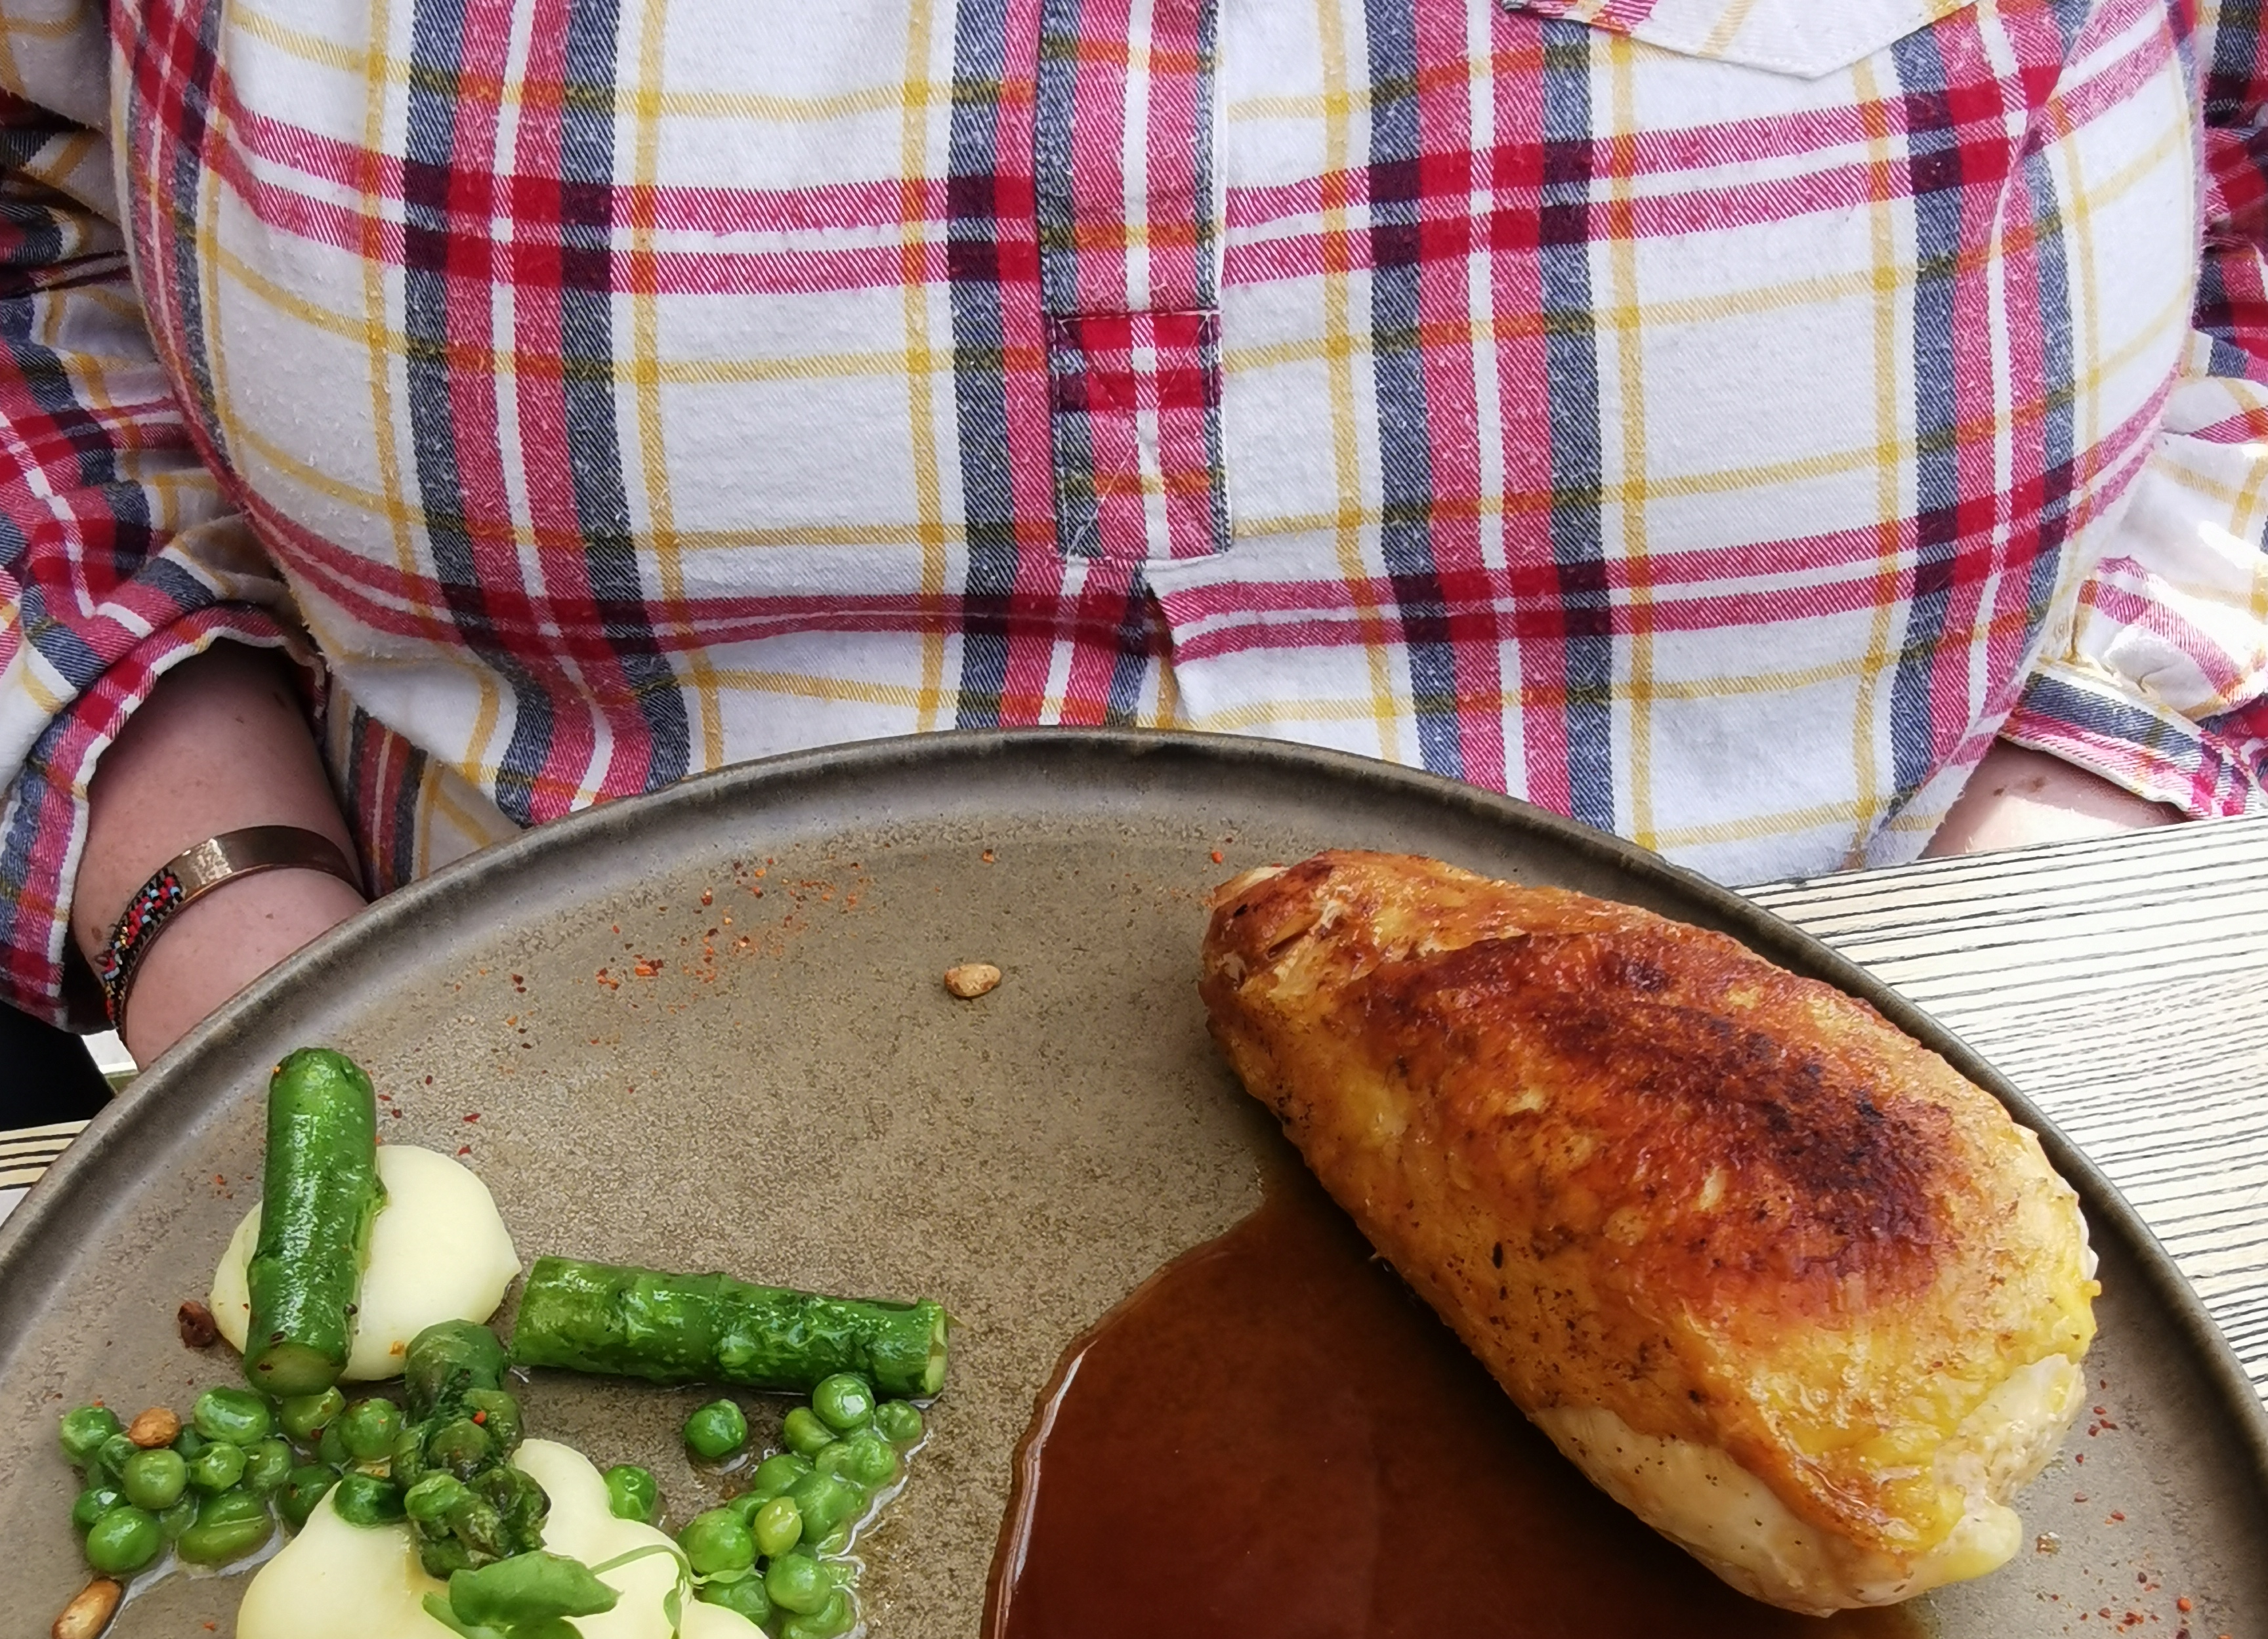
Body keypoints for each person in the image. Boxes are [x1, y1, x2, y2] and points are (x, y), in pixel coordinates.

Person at [3, 0, 2261, 1074]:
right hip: (513, 1151)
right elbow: (28, 231)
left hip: (1843, 1128)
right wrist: (238, 954)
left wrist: (2043, 935)